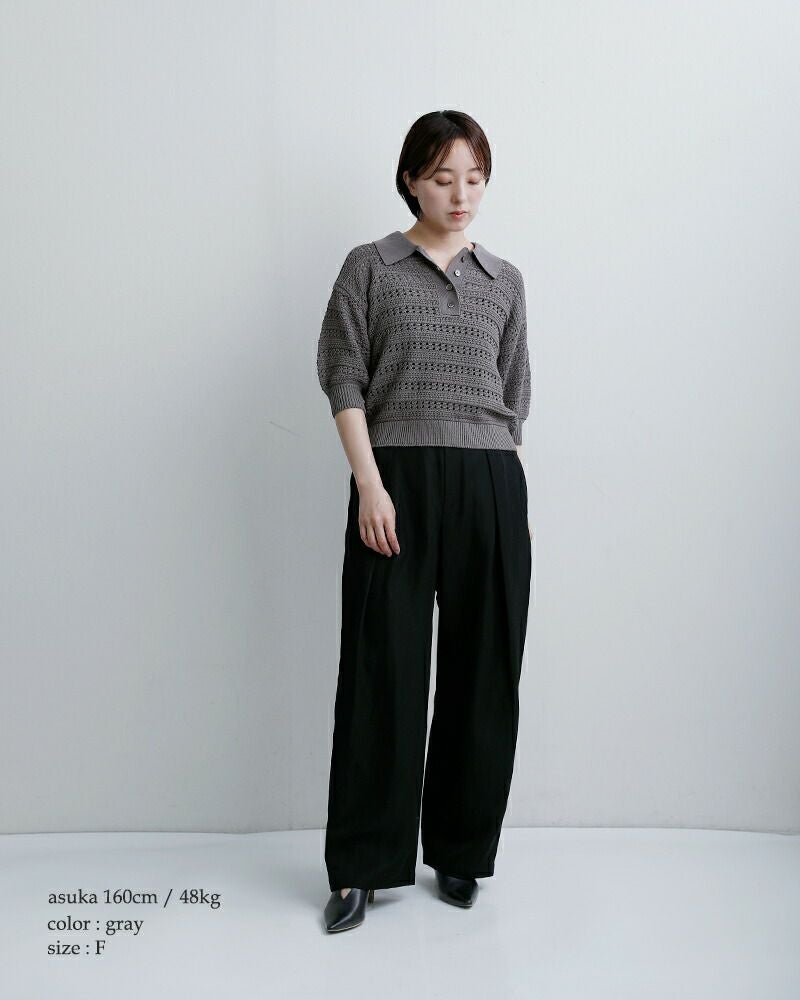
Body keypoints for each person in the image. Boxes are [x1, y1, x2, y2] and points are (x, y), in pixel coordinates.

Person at [316, 110, 532, 933]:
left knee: (484, 671)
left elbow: (515, 397)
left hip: (489, 482)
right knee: (382, 669)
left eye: (474, 178)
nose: (461, 194)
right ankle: (362, 865)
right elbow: (343, 376)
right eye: (444, 178)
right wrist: (369, 485)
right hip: (394, 480)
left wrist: (501, 496)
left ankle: (460, 849)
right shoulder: (370, 267)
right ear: (411, 179)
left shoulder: (505, 280)